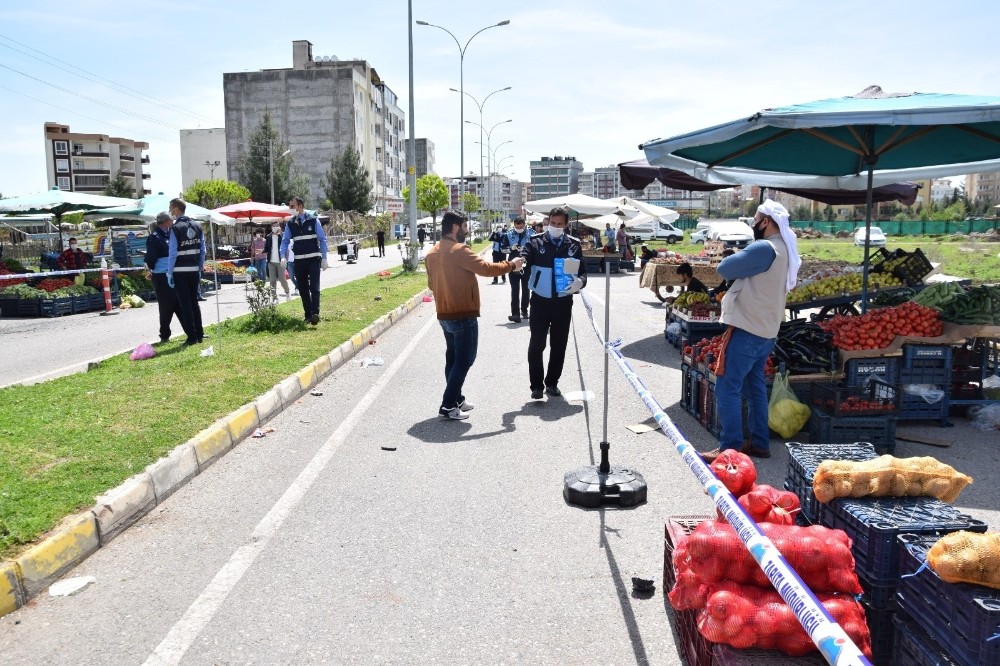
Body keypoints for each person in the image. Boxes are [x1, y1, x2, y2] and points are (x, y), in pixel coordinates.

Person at [699, 199, 801, 463]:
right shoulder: (783, 248)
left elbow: (724, 269)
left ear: (766, 222)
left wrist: (733, 254)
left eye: (756, 219)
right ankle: (759, 443)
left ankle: (729, 448)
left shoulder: (764, 248)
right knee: (754, 385)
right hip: (767, 329)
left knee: (727, 386)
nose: (753, 224)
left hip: (749, 328)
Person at [425, 211, 524, 420]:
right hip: (462, 314)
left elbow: (431, 285)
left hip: (444, 314)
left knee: (453, 359)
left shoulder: (432, 252)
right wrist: (512, 265)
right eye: (465, 226)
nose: (467, 230)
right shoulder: (459, 250)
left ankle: (457, 398)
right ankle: (448, 404)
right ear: (455, 227)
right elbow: (486, 269)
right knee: (465, 360)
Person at [521, 207, 587, 400]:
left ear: (566, 225)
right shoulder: (535, 241)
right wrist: (521, 264)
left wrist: (580, 282)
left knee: (559, 345)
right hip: (540, 301)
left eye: (559, 224)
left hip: (563, 302)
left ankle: (552, 383)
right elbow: (525, 258)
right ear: (547, 222)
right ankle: (536, 386)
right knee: (537, 344)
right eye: (553, 223)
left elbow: (582, 271)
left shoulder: (574, 245)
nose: (555, 227)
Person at [281, 196, 329, 325]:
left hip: (313, 259)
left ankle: (315, 313)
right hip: (299, 261)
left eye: (293, 206)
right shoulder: (290, 223)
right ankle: (308, 315)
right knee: (303, 289)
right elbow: (285, 241)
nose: (291, 209)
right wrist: (282, 257)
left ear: (301, 206)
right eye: (289, 206)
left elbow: (322, 239)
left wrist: (324, 258)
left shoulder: (313, 221)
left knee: (314, 287)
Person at [166, 199, 206, 346]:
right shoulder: (197, 226)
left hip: (179, 271)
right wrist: (199, 267)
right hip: (194, 270)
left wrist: (169, 273)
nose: (170, 212)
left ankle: (191, 336)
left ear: (176, 210)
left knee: (185, 304)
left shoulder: (175, 228)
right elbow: (203, 250)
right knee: (194, 302)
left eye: (171, 209)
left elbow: (172, 253)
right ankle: (200, 333)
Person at [144, 213, 178, 343]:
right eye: (170, 220)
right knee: (165, 306)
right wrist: (152, 271)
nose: (172, 223)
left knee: (178, 304)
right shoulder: (155, 237)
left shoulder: (168, 235)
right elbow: (151, 258)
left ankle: (190, 330)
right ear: (165, 221)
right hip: (160, 275)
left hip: (170, 274)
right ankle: (164, 334)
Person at [506, 217, 532, 322]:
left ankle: (524, 310)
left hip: (526, 266)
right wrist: (511, 248)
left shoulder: (531, 234)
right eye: (517, 227)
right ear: (514, 225)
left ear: (524, 225)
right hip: (513, 266)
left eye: (521, 227)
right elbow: (502, 249)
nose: (519, 228)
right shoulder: (509, 234)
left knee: (526, 289)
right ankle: (515, 314)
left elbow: (534, 249)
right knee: (515, 290)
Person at [264, 222, 290, 302]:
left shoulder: (282, 236)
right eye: (273, 226)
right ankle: (274, 298)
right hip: (271, 261)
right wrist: (262, 251)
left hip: (280, 261)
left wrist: (279, 234)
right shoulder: (268, 237)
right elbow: (267, 248)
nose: (275, 227)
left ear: (279, 227)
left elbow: (286, 246)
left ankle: (287, 292)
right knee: (272, 280)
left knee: (282, 279)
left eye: (277, 226)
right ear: (271, 227)